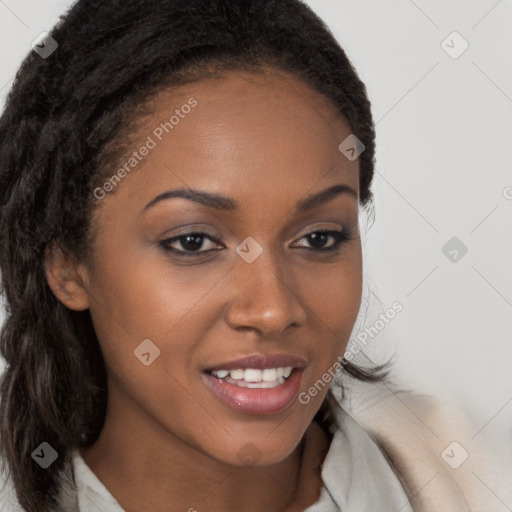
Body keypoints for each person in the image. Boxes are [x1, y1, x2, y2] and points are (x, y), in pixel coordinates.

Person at [0, 1, 505, 511]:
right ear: (67, 265)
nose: (272, 310)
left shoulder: (477, 486)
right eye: (193, 242)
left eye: (319, 238)